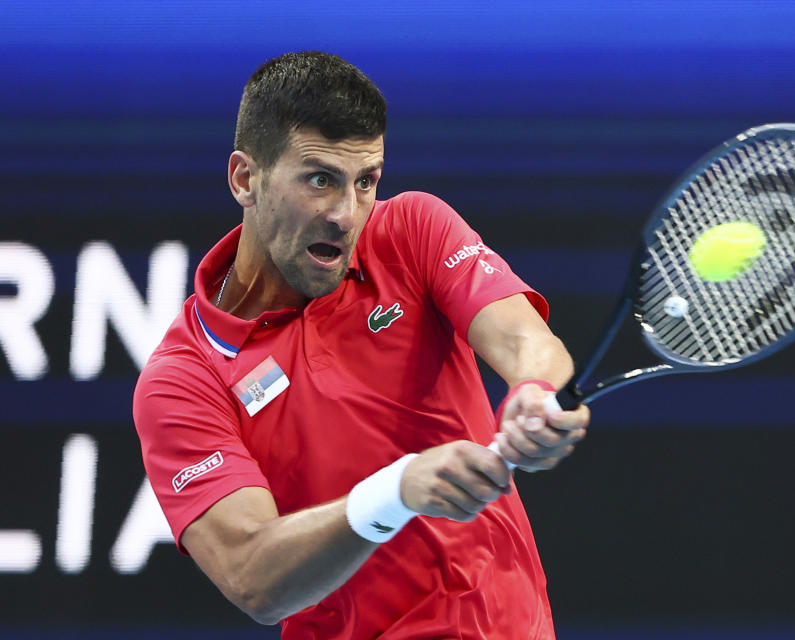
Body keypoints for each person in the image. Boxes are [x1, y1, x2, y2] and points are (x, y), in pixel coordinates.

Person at [133, 51, 590, 639]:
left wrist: (534, 394)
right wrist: (394, 493)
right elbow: (253, 577)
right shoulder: (184, 380)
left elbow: (529, 341)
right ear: (246, 179)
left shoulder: (412, 230)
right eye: (320, 179)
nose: (346, 215)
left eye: (366, 181)